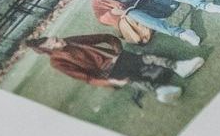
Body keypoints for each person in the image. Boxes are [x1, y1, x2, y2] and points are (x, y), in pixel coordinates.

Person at [26, 33, 205, 104]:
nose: (59, 40)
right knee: (131, 79)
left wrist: (118, 52)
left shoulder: (71, 40)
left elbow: (107, 37)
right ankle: (162, 92)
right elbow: (86, 78)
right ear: (48, 50)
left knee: (149, 58)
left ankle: (181, 67)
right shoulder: (57, 62)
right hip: (108, 73)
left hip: (118, 58)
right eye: (55, 42)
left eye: (55, 37)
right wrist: (111, 81)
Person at [82, 0, 220, 46]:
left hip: (161, 2)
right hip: (150, 15)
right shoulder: (98, 3)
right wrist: (116, 11)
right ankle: (182, 33)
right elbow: (102, 18)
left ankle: (206, 6)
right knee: (131, 13)